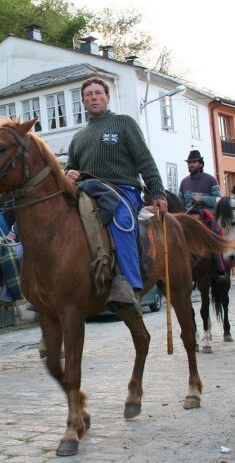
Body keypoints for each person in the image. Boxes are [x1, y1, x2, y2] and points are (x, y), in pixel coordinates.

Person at [65, 77, 168, 309]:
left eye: (98, 93)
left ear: (107, 97)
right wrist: (68, 174)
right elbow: (70, 167)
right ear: (83, 102)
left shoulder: (123, 124)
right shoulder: (78, 138)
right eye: (88, 95)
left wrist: (158, 193)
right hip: (88, 191)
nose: (93, 97)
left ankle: (129, 285)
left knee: (121, 220)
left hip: (122, 191)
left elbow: (145, 161)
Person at [178, 149, 227, 279]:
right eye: (189, 163)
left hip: (206, 215)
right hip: (188, 216)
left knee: (215, 232)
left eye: (193, 162)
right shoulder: (184, 182)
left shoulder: (210, 180)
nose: (190, 165)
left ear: (200, 164)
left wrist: (203, 199)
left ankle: (219, 266)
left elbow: (218, 200)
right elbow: (180, 202)